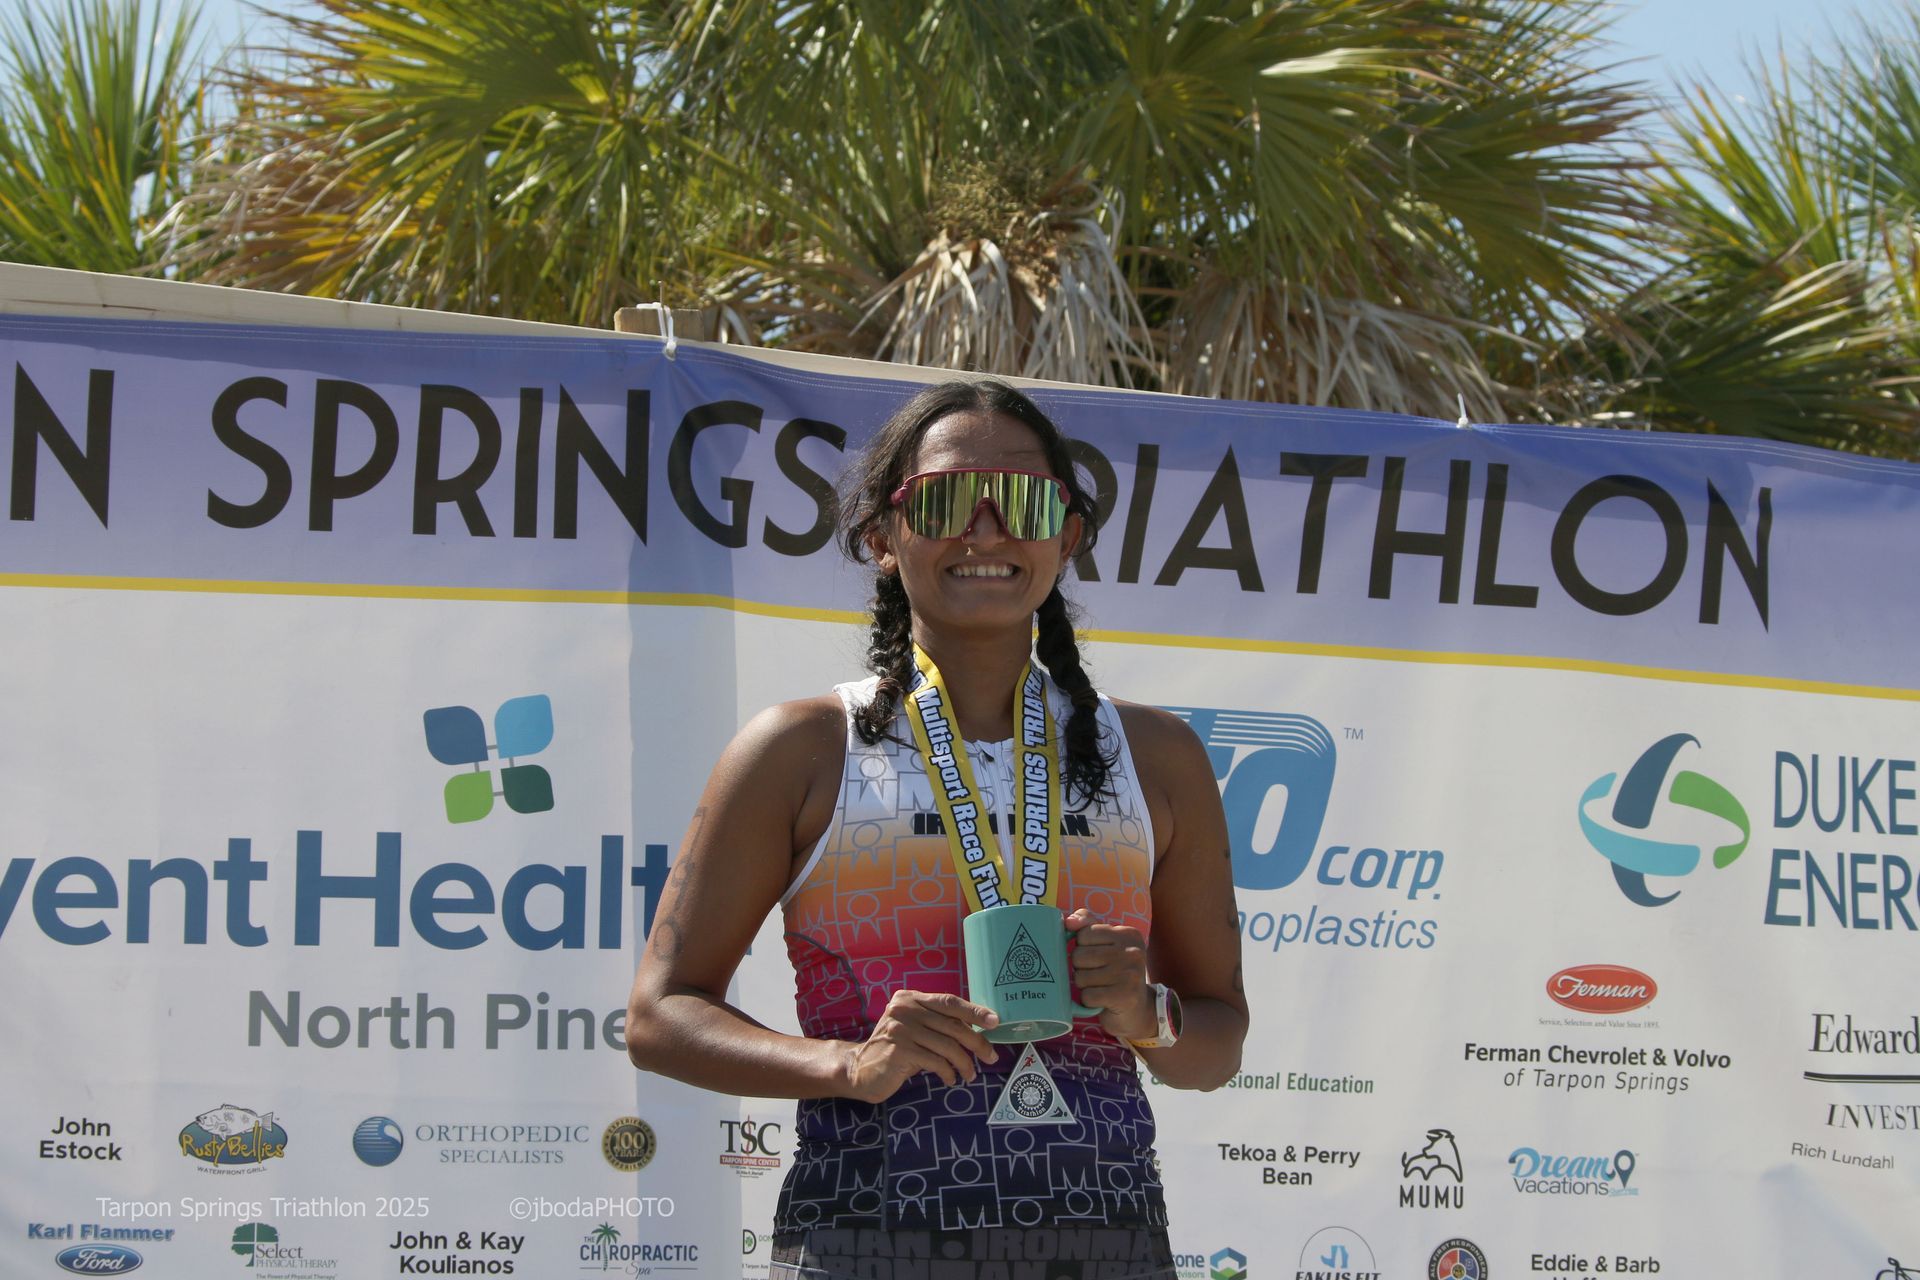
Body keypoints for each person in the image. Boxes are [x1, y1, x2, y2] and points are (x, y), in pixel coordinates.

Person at [626, 378, 1247, 1279]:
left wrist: (1144, 1013)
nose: (985, 533)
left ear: (1067, 537)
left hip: (1106, 1244)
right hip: (861, 1238)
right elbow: (660, 1016)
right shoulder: (800, 748)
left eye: (1023, 503)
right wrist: (847, 1065)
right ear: (883, 537)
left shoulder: (1158, 755)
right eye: (948, 501)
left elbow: (1216, 1049)